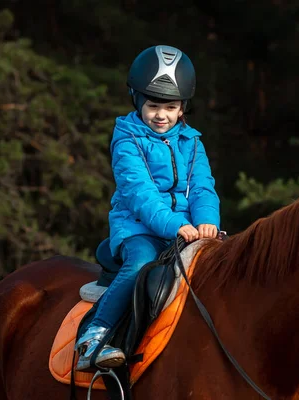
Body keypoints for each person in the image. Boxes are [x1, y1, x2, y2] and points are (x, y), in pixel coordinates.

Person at [75, 45, 220, 371]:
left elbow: (202, 187)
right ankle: (94, 335)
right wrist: (174, 225)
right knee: (141, 262)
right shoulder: (127, 139)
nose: (161, 115)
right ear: (138, 101)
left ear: (182, 108)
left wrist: (208, 221)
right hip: (138, 227)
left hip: (185, 228)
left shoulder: (192, 141)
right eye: (153, 105)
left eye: (170, 107)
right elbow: (140, 194)